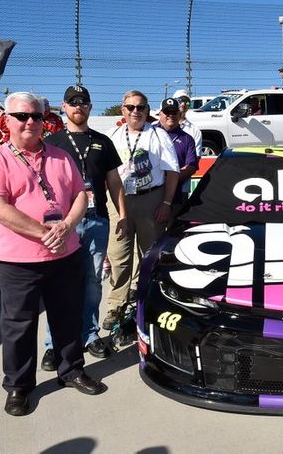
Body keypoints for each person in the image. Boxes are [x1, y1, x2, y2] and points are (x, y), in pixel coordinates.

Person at [0, 92, 106, 417]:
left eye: (36, 115)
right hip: (17, 260)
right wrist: (44, 233)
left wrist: (67, 225)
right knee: (19, 324)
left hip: (65, 254)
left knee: (67, 316)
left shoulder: (61, 157)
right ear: (7, 120)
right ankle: (19, 386)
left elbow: (80, 193)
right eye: (22, 116)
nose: (30, 121)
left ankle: (71, 370)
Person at [40, 85, 128, 370]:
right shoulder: (51, 143)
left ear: (90, 107)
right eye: (72, 102)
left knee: (91, 283)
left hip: (97, 221)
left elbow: (114, 182)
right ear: (63, 107)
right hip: (64, 225)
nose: (78, 107)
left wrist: (123, 215)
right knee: (60, 285)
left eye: (84, 102)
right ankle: (54, 343)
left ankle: (89, 334)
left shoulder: (103, 141)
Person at [102, 90, 180, 329]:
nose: (135, 111)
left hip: (150, 200)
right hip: (118, 200)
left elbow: (173, 172)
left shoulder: (158, 135)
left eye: (141, 107)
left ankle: (144, 301)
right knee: (118, 255)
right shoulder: (112, 136)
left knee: (149, 255)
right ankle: (116, 305)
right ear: (122, 110)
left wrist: (166, 203)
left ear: (147, 111)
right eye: (130, 107)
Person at [153, 98, 199, 218]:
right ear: (160, 114)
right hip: (150, 192)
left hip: (176, 194)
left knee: (172, 232)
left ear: (179, 114)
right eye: (167, 112)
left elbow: (191, 166)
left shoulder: (187, 138)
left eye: (174, 112)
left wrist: (170, 180)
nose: (171, 115)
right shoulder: (150, 133)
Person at [173, 91, 203, 157]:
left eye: (187, 102)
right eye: (180, 100)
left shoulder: (195, 131)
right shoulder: (161, 126)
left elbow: (196, 157)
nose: (183, 104)